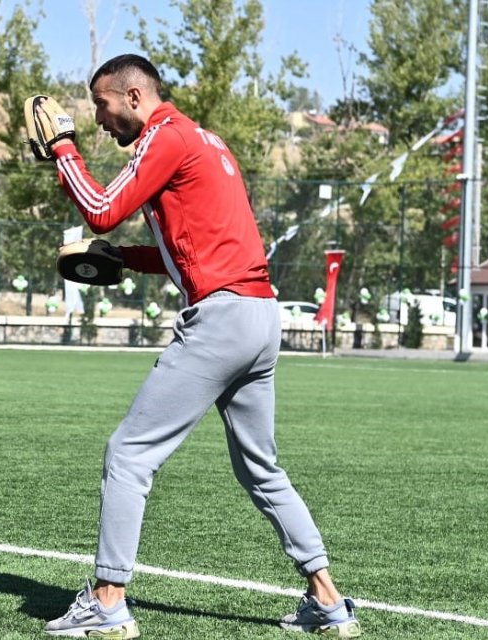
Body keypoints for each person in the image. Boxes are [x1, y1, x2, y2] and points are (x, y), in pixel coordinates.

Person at [33, 54, 362, 638]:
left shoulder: (166, 137)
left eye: (103, 107)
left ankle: (107, 602)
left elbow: (102, 211)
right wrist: (121, 261)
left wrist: (64, 149)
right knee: (262, 469)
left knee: (129, 454)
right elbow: (190, 247)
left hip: (223, 319)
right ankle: (329, 601)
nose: (100, 121)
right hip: (261, 314)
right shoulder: (203, 140)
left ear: (133, 98)